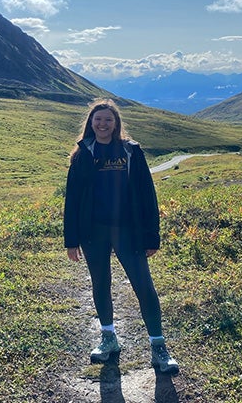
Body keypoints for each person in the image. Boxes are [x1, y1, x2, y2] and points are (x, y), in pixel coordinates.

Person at [64, 99, 179, 374]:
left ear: (116, 124)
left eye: (108, 120)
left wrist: (152, 236)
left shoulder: (131, 151)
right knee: (100, 283)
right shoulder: (82, 153)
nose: (102, 124)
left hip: (128, 230)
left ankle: (159, 346)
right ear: (91, 123)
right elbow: (73, 199)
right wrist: (71, 239)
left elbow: (147, 194)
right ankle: (108, 338)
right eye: (98, 119)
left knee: (143, 285)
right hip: (93, 231)